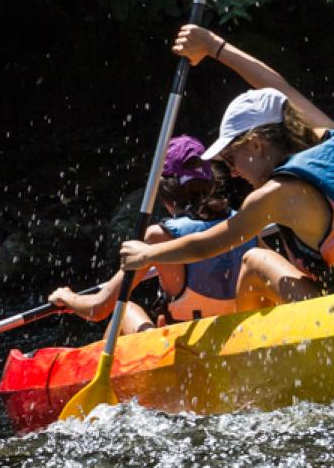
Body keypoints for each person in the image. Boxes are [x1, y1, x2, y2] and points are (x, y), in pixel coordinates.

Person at [119, 26, 334, 310]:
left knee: (255, 259)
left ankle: (247, 361)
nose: (232, 173)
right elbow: (281, 90)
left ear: (256, 144)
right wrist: (215, 47)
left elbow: (208, 244)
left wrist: (148, 255)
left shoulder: (273, 195)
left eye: (231, 158)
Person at [48, 134, 256, 332]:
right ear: (210, 184)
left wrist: (66, 297)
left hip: (189, 350)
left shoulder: (158, 236)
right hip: (240, 332)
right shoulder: (244, 221)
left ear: (162, 192)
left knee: (125, 310)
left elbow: (98, 309)